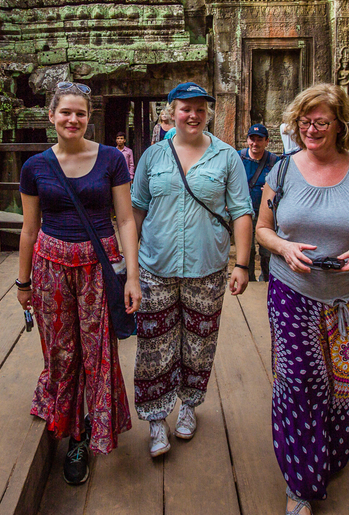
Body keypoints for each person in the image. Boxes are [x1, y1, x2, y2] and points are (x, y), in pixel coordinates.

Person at [255, 83, 349, 515]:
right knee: (299, 385)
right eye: (304, 121)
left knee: (343, 386)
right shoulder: (280, 171)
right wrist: (283, 248)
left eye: (321, 121)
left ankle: (329, 457)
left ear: (340, 125)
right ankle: (300, 483)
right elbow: (264, 227)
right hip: (293, 292)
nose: (311, 129)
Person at [17, 82, 144, 486]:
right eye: (66, 112)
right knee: (60, 349)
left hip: (98, 266)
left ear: (90, 118)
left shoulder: (110, 160)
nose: (73, 119)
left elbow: (125, 219)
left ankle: (86, 433)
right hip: (50, 266)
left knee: (98, 351)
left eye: (81, 113)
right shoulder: (35, 167)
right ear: (51, 116)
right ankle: (67, 419)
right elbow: (29, 228)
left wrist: (133, 277)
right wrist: (22, 283)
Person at [131, 82, 254, 458]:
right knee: (154, 344)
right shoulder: (152, 157)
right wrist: (129, 266)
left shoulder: (227, 157)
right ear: (170, 111)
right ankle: (156, 418)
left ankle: (188, 406)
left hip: (207, 268)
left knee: (199, 343)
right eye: (186, 108)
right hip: (156, 266)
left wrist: (243, 264)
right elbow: (136, 209)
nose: (194, 115)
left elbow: (241, 211)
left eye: (200, 109)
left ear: (207, 113)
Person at [239, 123, 279, 281]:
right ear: (247, 140)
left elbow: (283, 186)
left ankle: (267, 279)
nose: (255, 143)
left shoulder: (274, 162)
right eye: (252, 139)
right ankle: (248, 279)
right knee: (247, 249)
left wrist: (274, 191)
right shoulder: (238, 158)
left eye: (259, 139)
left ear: (267, 141)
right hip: (244, 212)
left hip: (266, 213)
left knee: (267, 250)